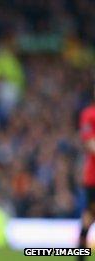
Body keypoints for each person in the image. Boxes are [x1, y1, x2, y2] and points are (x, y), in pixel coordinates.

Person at [78, 88, 95, 261]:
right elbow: (90, 144)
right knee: (88, 217)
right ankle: (80, 255)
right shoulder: (89, 114)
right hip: (93, 177)